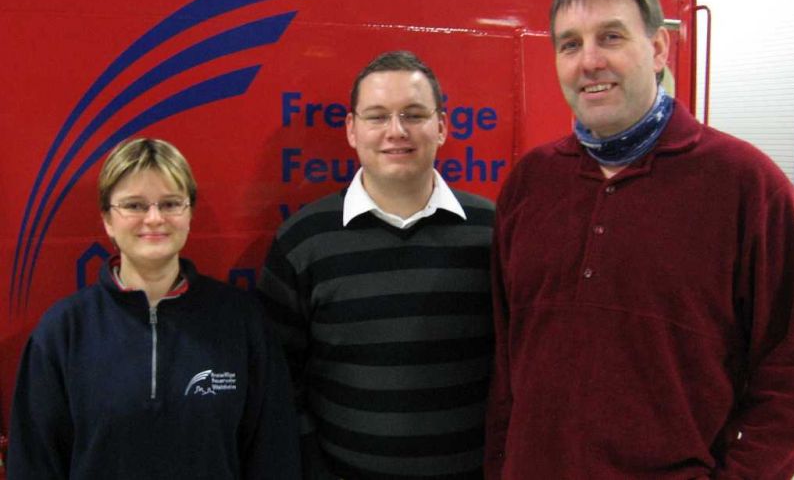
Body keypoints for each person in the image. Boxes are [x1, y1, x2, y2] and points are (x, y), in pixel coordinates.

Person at [485, 0, 794, 480]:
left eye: (610, 37)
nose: (589, 61)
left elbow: (790, 366)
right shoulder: (530, 183)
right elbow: (506, 364)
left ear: (657, 49)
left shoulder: (748, 186)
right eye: (569, 44)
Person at [258, 51, 495, 479]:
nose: (396, 131)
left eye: (414, 114)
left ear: (442, 126)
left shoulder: (494, 232)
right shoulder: (303, 241)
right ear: (351, 129)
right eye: (377, 116)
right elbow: (277, 380)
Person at [7, 138, 301, 479]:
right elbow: (32, 463)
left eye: (171, 203)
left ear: (189, 212)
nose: (154, 218)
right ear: (106, 219)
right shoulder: (63, 331)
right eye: (134, 205)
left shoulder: (242, 321)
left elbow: (274, 455)